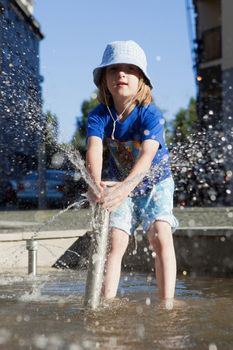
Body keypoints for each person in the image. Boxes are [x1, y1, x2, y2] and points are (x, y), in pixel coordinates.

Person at [86, 40, 178, 303]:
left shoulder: (151, 115)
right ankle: (105, 302)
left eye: (129, 69)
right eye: (114, 69)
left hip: (155, 183)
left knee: (160, 236)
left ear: (142, 80)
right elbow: (93, 149)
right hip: (119, 184)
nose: (121, 74)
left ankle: (166, 304)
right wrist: (94, 185)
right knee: (114, 242)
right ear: (104, 78)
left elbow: (147, 156)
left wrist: (126, 189)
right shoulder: (99, 116)